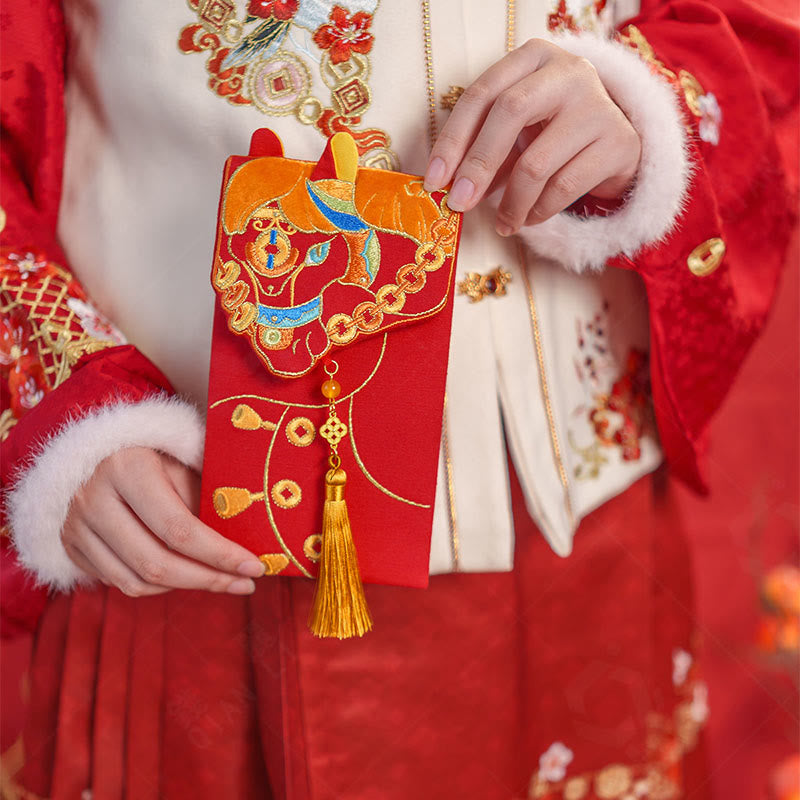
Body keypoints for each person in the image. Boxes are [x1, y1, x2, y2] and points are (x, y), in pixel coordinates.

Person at [0, 0, 796, 797]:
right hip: (186, 534)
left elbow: (746, 33)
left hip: (578, 531)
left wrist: (643, 115)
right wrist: (67, 409)